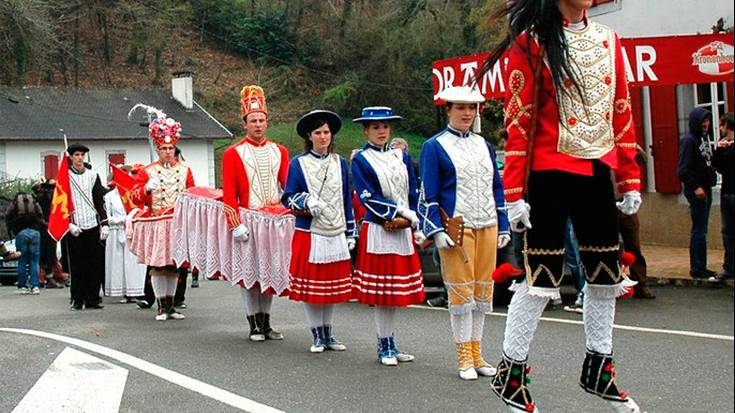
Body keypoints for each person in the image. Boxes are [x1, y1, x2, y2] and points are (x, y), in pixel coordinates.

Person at [479, 1, 642, 411]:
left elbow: (620, 110)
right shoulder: (530, 43)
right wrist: (513, 193)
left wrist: (629, 176)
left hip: (596, 169)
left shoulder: (609, 40)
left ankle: (599, 368)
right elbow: (518, 121)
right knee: (540, 278)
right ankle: (511, 375)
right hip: (548, 172)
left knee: (605, 276)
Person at [419, 88, 510, 381]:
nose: (467, 113)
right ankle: (463, 356)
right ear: (449, 110)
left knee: (483, 292)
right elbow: (428, 191)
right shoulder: (435, 146)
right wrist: (435, 229)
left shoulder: (483, 144)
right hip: (456, 227)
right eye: (461, 108)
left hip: (487, 224)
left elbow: (496, 185)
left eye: (472, 108)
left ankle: (478, 353)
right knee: (460, 292)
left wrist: (504, 223)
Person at [352, 106, 426, 366]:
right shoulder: (360, 159)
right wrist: (396, 213)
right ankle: (383, 345)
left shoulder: (401, 157)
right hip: (381, 229)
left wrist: (414, 218)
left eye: (384, 126)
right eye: (375, 127)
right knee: (383, 293)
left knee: (395, 292)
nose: (381, 131)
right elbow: (366, 196)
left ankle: (392, 343)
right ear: (366, 131)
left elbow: (413, 190)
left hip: (403, 228)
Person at [282, 110, 355, 353]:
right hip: (310, 232)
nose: (323, 137)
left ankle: (329, 333)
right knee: (313, 288)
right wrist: (305, 201)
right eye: (318, 133)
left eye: (326, 132)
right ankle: (317, 335)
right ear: (309, 136)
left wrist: (350, 231)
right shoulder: (298, 163)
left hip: (335, 230)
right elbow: (288, 197)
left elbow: (347, 199)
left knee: (331, 287)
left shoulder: (340, 162)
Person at [222, 85, 289, 341]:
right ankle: (253, 324)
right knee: (249, 273)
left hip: (272, 221)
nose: (258, 125)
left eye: (262, 120)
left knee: (269, 271)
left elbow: (287, 185)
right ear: (245, 123)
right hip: (248, 219)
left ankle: (267, 322)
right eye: (253, 121)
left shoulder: (280, 151)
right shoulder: (233, 153)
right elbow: (229, 194)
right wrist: (234, 223)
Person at [129, 114, 195, 321]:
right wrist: (146, 190)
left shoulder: (185, 171)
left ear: (175, 149)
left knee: (174, 265)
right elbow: (133, 197)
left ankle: (171, 305)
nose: (167, 152)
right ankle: (161, 306)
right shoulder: (148, 171)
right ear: (157, 150)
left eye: (170, 148)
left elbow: (192, 195)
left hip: (177, 223)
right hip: (157, 223)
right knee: (159, 265)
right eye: (163, 149)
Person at [64, 143, 108, 310]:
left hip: (91, 224)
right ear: (71, 157)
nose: (80, 158)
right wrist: (68, 224)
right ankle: (77, 299)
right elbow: (59, 203)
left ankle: (93, 298)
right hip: (75, 225)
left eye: (82, 155)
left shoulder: (93, 175)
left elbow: (99, 201)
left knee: (94, 264)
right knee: (77, 265)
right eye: (76, 155)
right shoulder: (65, 177)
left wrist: (104, 224)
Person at [678, 107, 718, 279]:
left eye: (708, 121)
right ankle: (697, 267)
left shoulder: (704, 139)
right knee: (699, 229)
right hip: (698, 190)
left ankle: (701, 265)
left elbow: (706, 161)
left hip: (706, 186)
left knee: (702, 228)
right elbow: (683, 170)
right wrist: (696, 187)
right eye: (703, 121)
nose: (706, 124)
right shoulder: (689, 141)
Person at [104, 167, 146, 301]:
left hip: (131, 230)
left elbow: (141, 210)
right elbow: (107, 216)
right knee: (118, 262)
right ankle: (122, 290)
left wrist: (130, 219)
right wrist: (118, 221)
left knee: (132, 262)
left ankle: (135, 290)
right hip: (116, 231)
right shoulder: (109, 196)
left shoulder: (134, 194)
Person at [5, 192, 44, 295]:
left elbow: (8, 215)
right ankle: (35, 286)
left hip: (21, 232)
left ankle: (23, 286)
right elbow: (40, 214)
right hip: (35, 232)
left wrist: (11, 228)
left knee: (22, 260)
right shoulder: (34, 201)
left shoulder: (15, 202)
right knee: (34, 260)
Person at [711, 112, 734, 283]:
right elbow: (717, 167)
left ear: (727, 125)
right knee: (728, 233)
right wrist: (719, 150)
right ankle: (729, 267)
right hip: (727, 192)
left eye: (721, 125)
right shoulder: (723, 145)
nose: (720, 128)